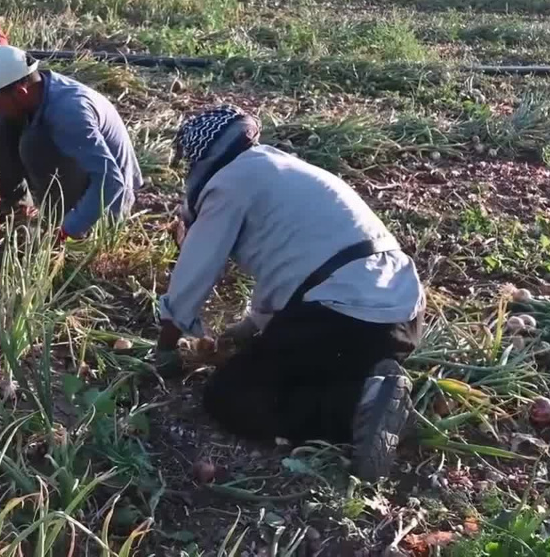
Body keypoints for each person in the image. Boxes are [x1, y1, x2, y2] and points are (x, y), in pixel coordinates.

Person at [155, 105, 424, 482]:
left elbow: (193, 273)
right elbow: (294, 275)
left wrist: (165, 346)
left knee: (230, 396)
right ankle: (380, 387)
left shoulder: (227, 185)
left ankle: (354, 408)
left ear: (202, 156)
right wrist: (244, 330)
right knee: (303, 361)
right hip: (401, 313)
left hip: (346, 313)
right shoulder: (280, 170)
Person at [0, 47, 142, 241]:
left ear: (20, 92)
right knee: (0, 127)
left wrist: (69, 229)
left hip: (107, 204)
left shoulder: (69, 113)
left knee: (33, 144)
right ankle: (17, 205)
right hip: (87, 173)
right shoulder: (28, 92)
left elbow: (111, 180)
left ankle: (60, 219)